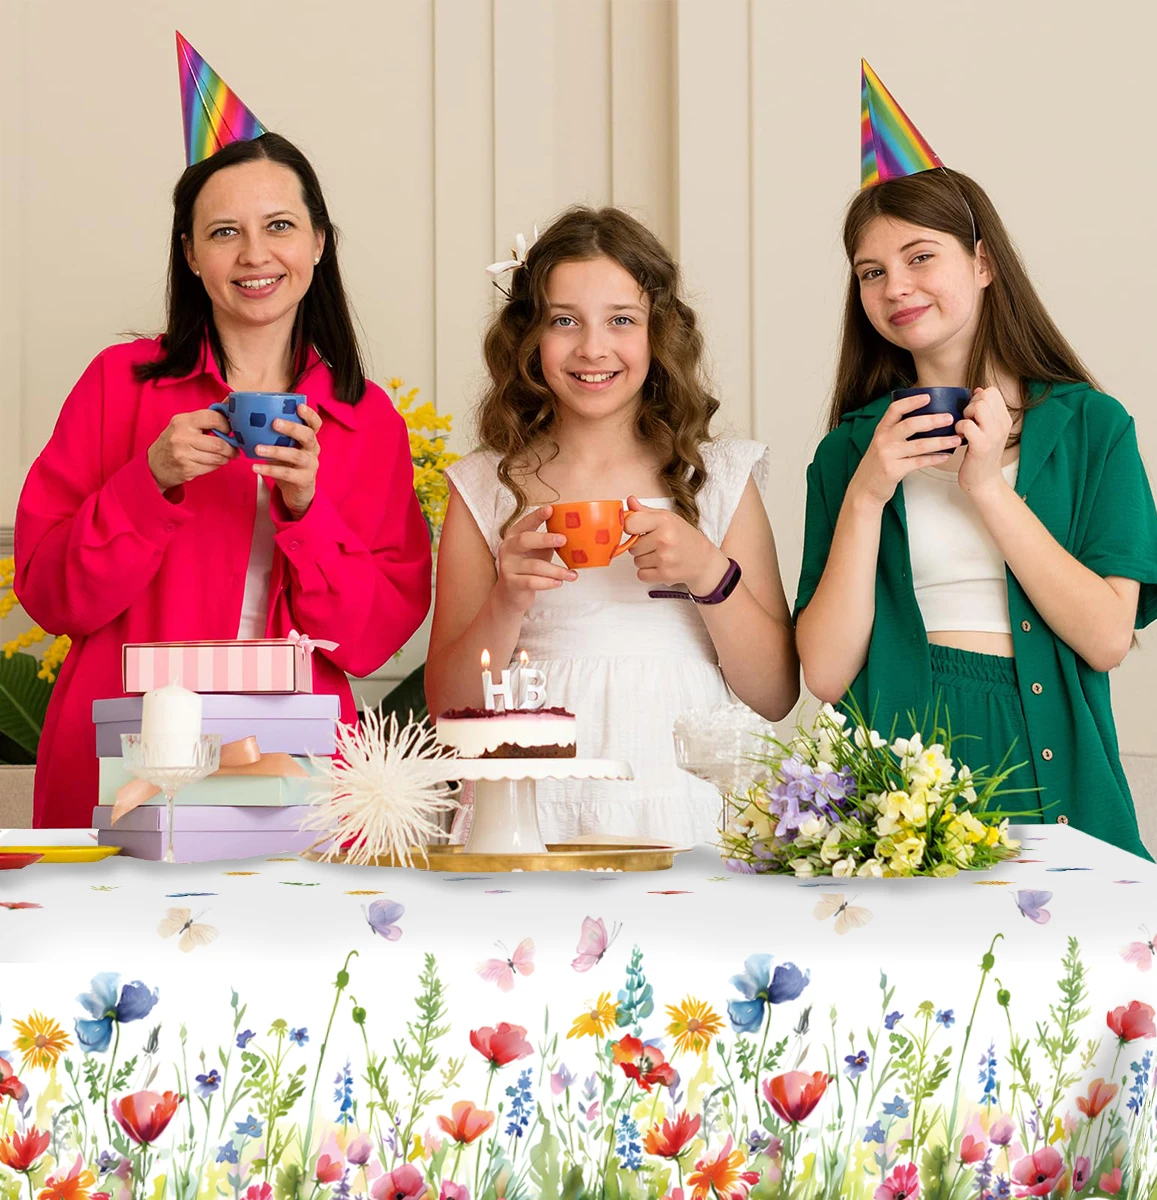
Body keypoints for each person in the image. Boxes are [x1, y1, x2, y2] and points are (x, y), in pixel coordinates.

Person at [14, 41, 430, 826]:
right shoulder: (119, 384)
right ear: (191, 256)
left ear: (318, 243)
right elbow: (49, 594)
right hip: (122, 749)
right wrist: (151, 479)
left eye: (279, 225)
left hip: (296, 759)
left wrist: (307, 508)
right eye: (223, 233)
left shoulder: (363, 418)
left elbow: (371, 641)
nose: (254, 255)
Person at [793, 63, 1157, 856]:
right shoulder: (848, 453)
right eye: (872, 272)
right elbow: (826, 676)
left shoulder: (1090, 427)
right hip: (897, 771)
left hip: (1052, 756)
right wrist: (867, 494)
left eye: (919, 257)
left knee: (1080, 977)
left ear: (983, 262)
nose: (894, 285)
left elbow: (1107, 637)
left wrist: (990, 494)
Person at [425, 206, 798, 846]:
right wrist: (507, 599)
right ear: (528, 339)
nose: (592, 347)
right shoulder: (485, 486)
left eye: (621, 321)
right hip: (530, 805)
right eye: (563, 321)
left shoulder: (718, 478)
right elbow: (445, 711)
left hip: (685, 798)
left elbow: (774, 695)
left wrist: (710, 574)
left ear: (659, 335)